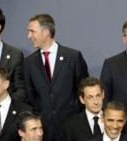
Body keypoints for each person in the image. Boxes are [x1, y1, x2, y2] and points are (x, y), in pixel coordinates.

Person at [24, 13, 89, 141]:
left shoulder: (73, 57)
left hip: (71, 127)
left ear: (46, 32)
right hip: (44, 129)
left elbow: (84, 90)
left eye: (32, 31)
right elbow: (30, 96)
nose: (29, 36)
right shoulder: (29, 62)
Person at [63, 77, 104, 141]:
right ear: (82, 99)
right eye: (90, 97)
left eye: (98, 95)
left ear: (103, 94)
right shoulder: (71, 125)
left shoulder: (116, 119)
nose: (96, 102)